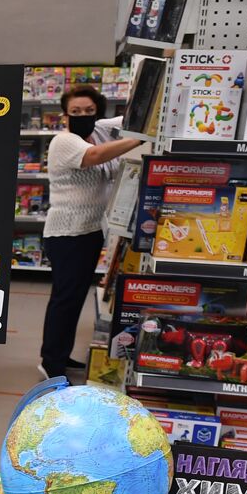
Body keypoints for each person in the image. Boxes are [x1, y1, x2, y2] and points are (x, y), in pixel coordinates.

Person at [39, 85, 143, 379]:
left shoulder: (97, 131)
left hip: (89, 233)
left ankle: (60, 353)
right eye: (75, 112)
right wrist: (139, 139)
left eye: (88, 110)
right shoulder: (64, 141)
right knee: (64, 299)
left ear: (98, 112)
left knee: (73, 301)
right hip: (66, 234)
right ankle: (50, 363)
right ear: (65, 115)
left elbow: (129, 118)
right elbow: (95, 156)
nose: (82, 116)